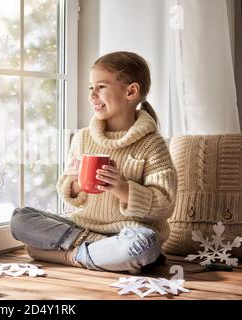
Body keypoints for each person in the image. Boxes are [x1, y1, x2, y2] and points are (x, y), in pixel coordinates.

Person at [10, 51, 178, 273]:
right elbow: (66, 188)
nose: (92, 95)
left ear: (131, 91)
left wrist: (122, 188)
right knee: (21, 219)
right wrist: (77, 184)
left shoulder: (152, 144)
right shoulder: (83, 138)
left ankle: (66, 255)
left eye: (101, 87)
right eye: (91, 88)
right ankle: (95, 252)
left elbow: (165, 203)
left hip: (129, 232)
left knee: (143, 245)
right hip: (82, 225)